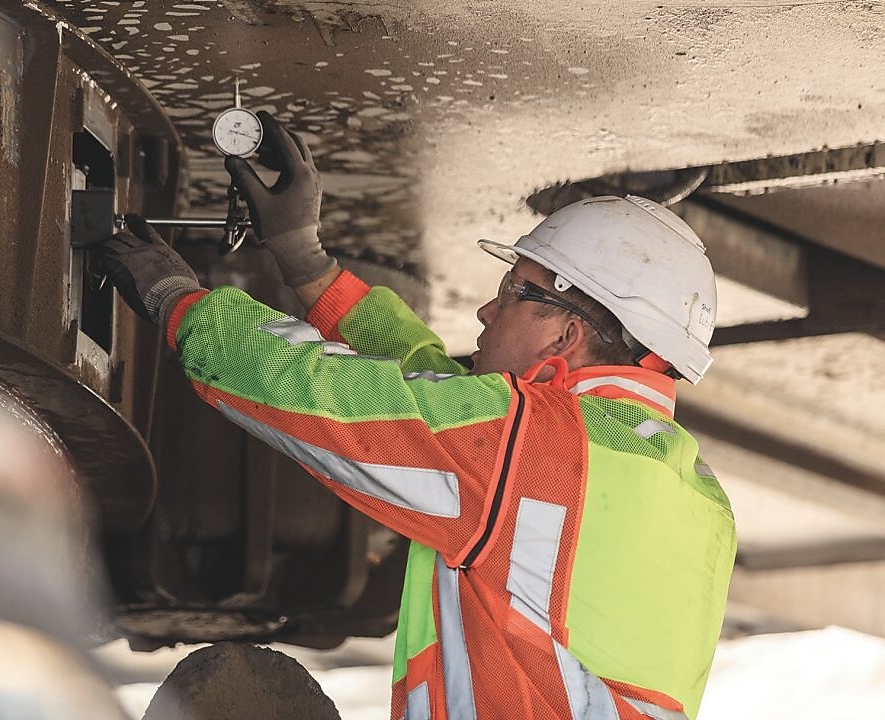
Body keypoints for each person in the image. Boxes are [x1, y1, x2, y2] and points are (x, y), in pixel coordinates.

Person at [98, 112, 736, 720]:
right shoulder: (691, 493)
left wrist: (178, 301)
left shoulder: (536, 450)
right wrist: (306, 263)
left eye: (514, 293)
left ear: (565, 336)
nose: (487, 312)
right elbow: (441, 402)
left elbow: (328, 397)